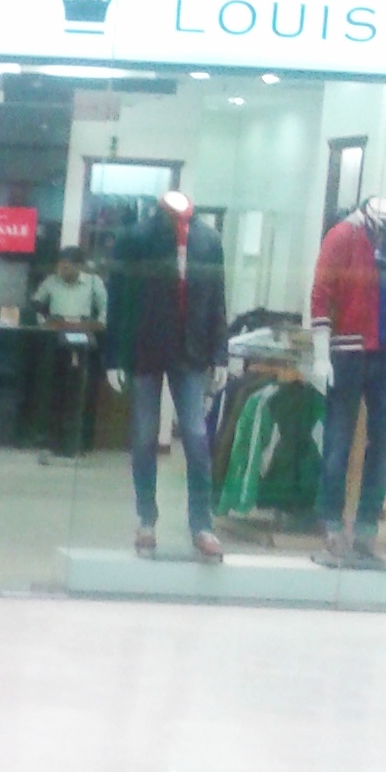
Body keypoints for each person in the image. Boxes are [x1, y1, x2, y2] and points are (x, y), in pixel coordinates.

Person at [104, 191, 228, 561]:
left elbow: (216, 299)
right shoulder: (136, 238)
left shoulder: (208, 240)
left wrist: (220, 353)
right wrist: (114, 356)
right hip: (144, 348)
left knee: (196, 436)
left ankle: (201, 524)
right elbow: (118, 299)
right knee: (144, 435)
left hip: (191, 350)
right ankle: (146, 519)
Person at [28, 248, 106, 458]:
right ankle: (52, 441)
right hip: (56, 336)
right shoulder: (51, 282)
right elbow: (36, 305)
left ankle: (78, 443)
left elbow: (104, 312)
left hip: (84, 336)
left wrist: (94, 325)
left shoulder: (93, 283)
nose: (62, 269)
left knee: (80, 391)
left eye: (67, 265)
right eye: (60, 265)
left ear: (79, 266)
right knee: (54, 389)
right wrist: (45, 323)